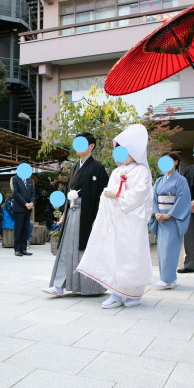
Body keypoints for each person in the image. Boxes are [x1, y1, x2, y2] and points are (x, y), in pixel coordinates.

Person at [76, 124, 153, 308]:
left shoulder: (142, 171)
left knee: (132, 255)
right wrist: (103, 214)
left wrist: (118, 195)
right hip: (116, 220)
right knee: (114, 255)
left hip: (132, 221)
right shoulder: (118, 171)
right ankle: (116, 293)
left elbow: (140, 194)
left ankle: (134, 293)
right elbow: (108, 192)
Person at [43, 132, 109, 297]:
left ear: (91, 146)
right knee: (66, 248)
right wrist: (64, 213)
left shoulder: (98, 168)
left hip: (87, 215)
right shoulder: (74, 167)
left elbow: (103, 196)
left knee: (83, 249)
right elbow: (68, 192)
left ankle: (90, 287)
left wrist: (97, 218)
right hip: (72, 212)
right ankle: (59, 285)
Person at [150, 151, 191, 290]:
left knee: (170, 249)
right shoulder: (159, 181)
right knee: (161, 250)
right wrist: (156, 213)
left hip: (172, 220)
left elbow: (183, 200)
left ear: (175, 162)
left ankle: (169, 279)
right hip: (161, 219)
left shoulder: (181, 180)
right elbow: (154, 198)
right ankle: (166, 278)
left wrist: (169, 215)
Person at [12, 170, 35, 257]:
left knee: (26, 229)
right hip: (19, 208)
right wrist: (25, 203)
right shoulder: (15, 178)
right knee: (18, 229)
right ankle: (17, 249)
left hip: (28, 209)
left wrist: (32, 203)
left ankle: (24, 248)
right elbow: (16, 193)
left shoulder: (29, 180)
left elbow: (33, 192)